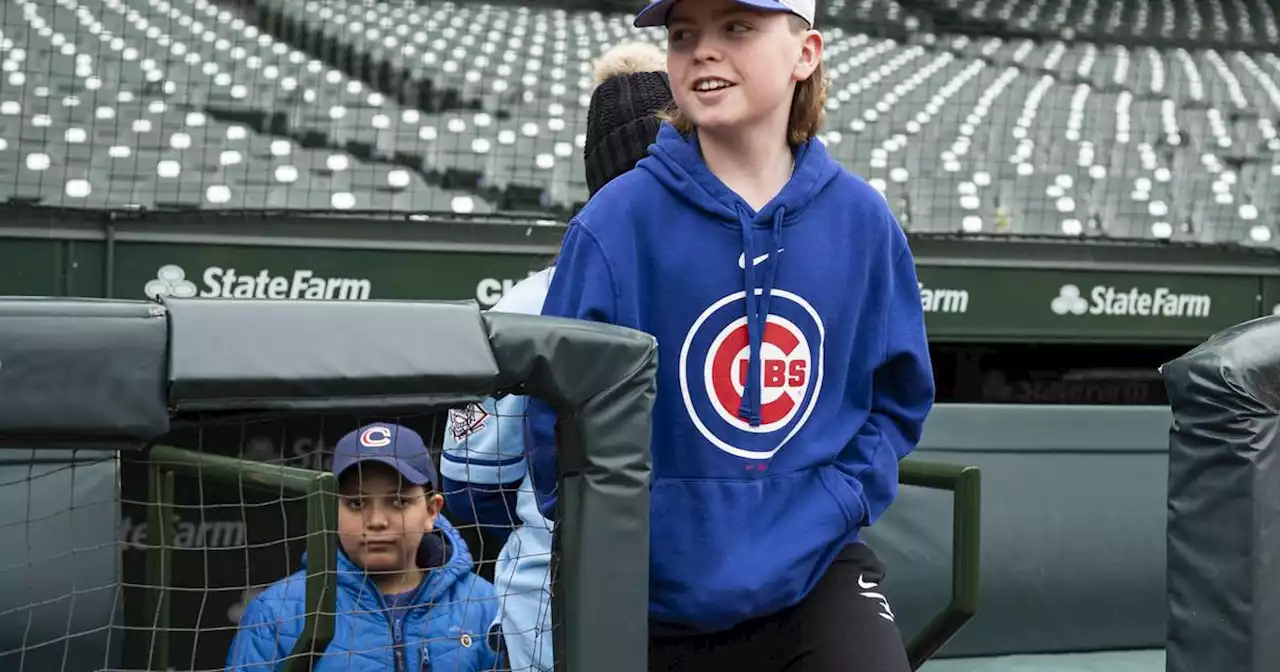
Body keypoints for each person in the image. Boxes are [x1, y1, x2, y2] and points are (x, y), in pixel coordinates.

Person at [524, 0, 936, 670]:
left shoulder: (863, 221)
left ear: (806, 53)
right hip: (647, 594)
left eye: (737, 27)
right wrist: (631, 539)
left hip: (815, 571)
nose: (704, 50)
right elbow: (555, 426)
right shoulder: (614, 223)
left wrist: (838, 498)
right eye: (684, 34)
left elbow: (897, 398)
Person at [439, 40, 675, 672]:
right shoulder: (532, 300)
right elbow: (468, 491)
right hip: (560, 621)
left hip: (595, 611)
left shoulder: (532, 298)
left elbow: (476, 491)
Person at [226, 423, 499, 671]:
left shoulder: (486, 605)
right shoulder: (277, 611)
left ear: (431, 511)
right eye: (356, 504)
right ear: (331, 510)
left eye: (398, 502)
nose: (377, 521)